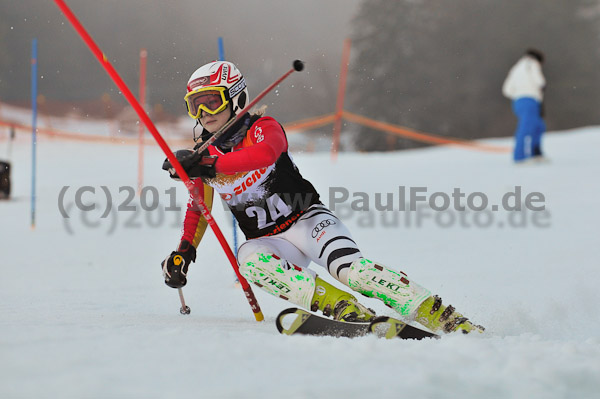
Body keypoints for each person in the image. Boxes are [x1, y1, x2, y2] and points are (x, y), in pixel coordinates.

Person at [161, 60, 484, 334]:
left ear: (236, 97)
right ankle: (346, 310)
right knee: (250, 261)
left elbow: (266, 154)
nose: (204, 112)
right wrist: (184, 251)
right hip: (270, 241)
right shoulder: (204, 156)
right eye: (195, 105)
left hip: (308, 221)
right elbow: (199, 208)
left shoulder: (262, 127)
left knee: (354, 272)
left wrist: (206, 163)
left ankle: (445, 318)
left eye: (212, 101)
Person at [502, 48, 547, 163]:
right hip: (530, 100)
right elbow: (540, 82)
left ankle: (535, 153)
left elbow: (507, 90)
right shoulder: (532, 64)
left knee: (538, 126)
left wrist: (518, 94)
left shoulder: (515, 68)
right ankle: (520, 156)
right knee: (526, 128)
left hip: (518, 101)